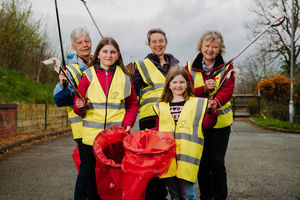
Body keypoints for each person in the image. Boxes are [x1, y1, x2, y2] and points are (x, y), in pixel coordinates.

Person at [73, 37, 138, 200]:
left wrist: (128, 124)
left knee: (112, 179)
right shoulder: (88, 75)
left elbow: (132, 104)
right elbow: (77, 105)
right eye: (105, 51)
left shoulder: (125, 78)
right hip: (91, 140)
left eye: (112, 52)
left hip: (114, 139)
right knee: (90, 179)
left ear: (118, 55)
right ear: (98, 55)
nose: (109, 55)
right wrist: (80, 106)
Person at [152, 66, 218, 200]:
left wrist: (212, 112)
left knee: (187, 195)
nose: (178, 85)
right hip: (168, 159)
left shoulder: (197, 103)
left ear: (187, 84)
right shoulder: (161, 106)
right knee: (175, 195)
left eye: (181, 82)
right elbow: (159, 128)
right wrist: (149, 133)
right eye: (174, 82)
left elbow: (207, 124)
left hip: (187, 159)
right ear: (168, 85)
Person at [185, 30, 235, 200]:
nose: (210, 50)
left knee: (217, 162)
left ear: (220, 49)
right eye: (207, 46)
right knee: (203, 163)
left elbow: (228, 90)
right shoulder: (189, 67)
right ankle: (206, 196)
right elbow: (187, 92)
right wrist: (204, 90)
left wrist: (216, 101)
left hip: (221, 123)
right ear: (201, 46)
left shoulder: (227, 67)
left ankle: (220, 196)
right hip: (198, 122)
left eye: (215, 46)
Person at [132, 28, 179, 200]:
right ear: (149, 44)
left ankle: (169, 194)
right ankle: (155, 196)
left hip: (173, 117)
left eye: (161, 41)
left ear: (165, 42)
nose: (158, 44)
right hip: (150, 119)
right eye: (154, 42)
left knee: (168, 158)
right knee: (152, 161)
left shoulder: (176, 65)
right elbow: (131, 90)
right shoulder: (142, 66)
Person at [53, 26, 92, 200]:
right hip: (83, 129)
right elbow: (59, 99)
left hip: (102, 127)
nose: (84, 45)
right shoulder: (69, 70)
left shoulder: (99, 63)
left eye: (87, 41)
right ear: (73, 47)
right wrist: (63, 85)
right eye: (80, 42)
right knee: (87, 169)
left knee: (99, 170)